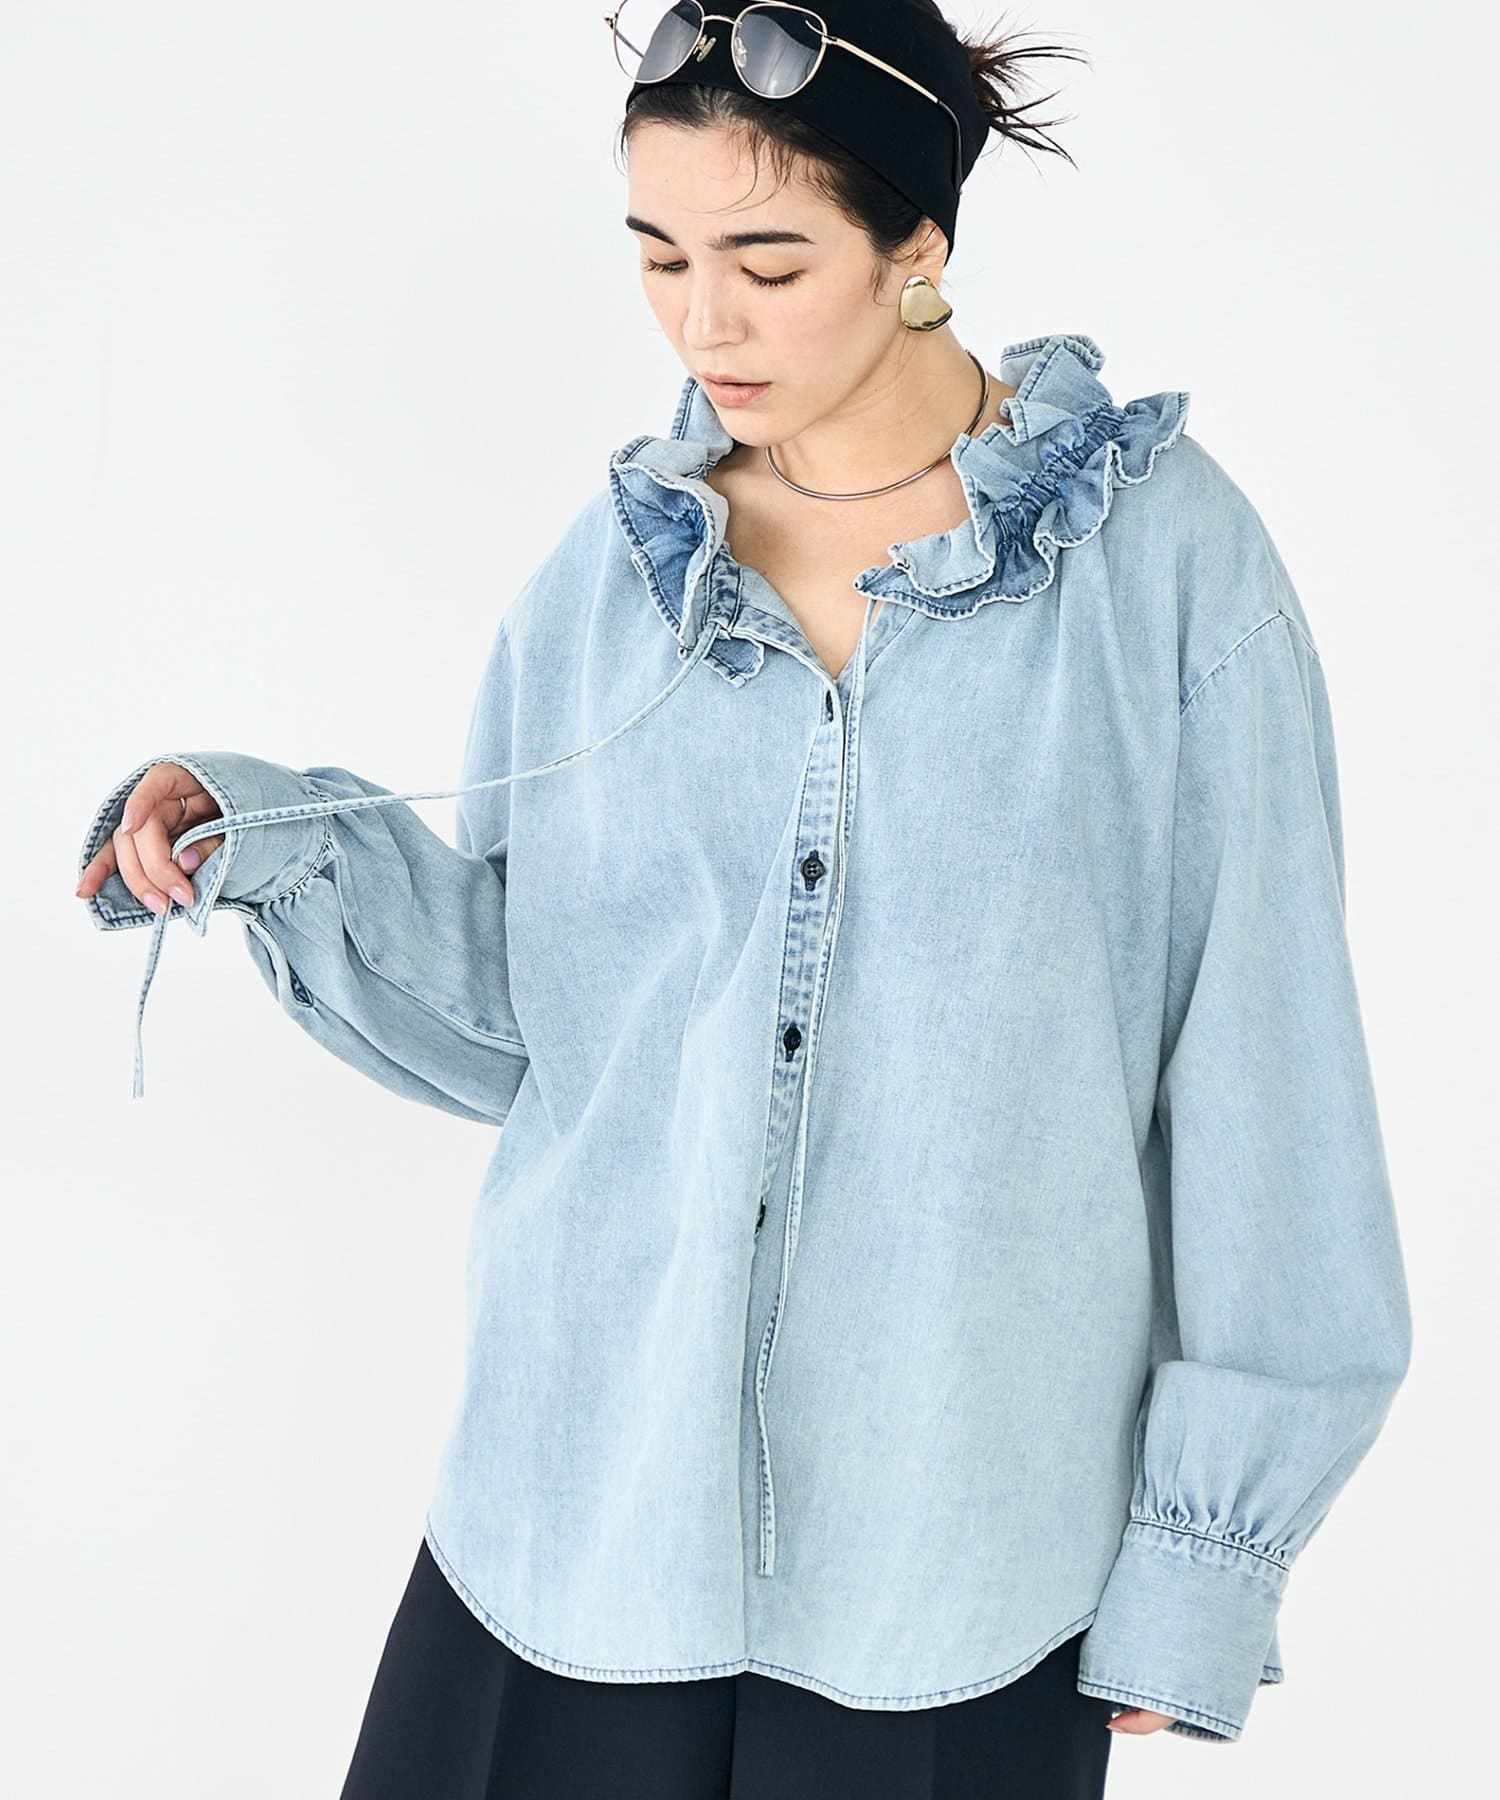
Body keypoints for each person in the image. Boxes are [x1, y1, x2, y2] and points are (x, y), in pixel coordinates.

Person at [73, 3, 1413, 1795]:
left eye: (767, 263)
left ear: (917, 246)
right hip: (581, 1519)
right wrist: (272, 839)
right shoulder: (622, 572)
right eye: (660, 256)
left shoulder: (1165, 575)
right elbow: (542, 1027)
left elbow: (1266, 1079)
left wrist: (1206, 1558)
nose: (704, 323)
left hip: (952, 1565)